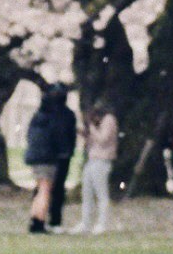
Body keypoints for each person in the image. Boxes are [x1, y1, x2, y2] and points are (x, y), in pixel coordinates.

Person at [22, 84, 76, 233]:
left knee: (40, 188)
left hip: (36, 156)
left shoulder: (39, 115)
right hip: (49, 157)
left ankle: (35, 219)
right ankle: (40, 221)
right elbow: (61, 136)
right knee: (45, 191)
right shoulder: (61, 115)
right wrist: (63, 151)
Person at [75, 105, 120, 236]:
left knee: (101, 194)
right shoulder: (97, 124)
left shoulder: (109, 120)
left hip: (102, 160)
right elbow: (93, 140)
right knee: (87, 193)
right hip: (92, 160)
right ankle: (86, 222)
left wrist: (91, 128)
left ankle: (102, 223)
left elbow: (102, 139)